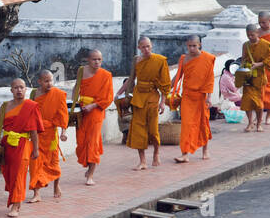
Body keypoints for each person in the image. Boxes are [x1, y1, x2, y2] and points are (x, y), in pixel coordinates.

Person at [0, 78, 41, 217]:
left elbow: (34, 130)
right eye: (16, 88)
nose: (19, 90)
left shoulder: (31, 106)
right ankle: (15, 199)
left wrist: (35, 149)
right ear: (11, 90)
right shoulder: (5, 106)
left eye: (22, 87)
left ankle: (16, 206)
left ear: (25, 90)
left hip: (22, 144)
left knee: (18, 175)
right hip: (6, 144)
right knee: (9, 174)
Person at [117, 36, 170, 170]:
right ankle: (142, 161)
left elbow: (165, 84)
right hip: (138, 97)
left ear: (151, 46)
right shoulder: (137, 60)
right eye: (143, 47)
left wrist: (163, 102)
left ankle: (156, 152)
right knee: (138, 130)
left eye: (148, 46)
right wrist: (119, 94)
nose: (146, 49)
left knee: (152, 130)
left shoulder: (160, 60)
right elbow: (131, 79)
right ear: (139, 48)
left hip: (152, 97)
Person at [172, 35, 215, 162]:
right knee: (186, 125)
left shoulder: (208, 58)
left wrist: (209, 97)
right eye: (189, 46)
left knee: (203, 123)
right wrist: (168, 86)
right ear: (187, 45)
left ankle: (205, 150)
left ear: (199, 45)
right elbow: (178, 75)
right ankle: (185, 154)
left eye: (194, 46)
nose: (192, 48)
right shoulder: (184, 59)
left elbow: (210, 79)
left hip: (202, 96)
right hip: (187, 96)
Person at [72, 50, 113, 186]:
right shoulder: (81, 71)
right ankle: (88, 166)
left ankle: (90, 174)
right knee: (82, 141)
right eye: (94, 59)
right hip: (82, 110)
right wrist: (74, 105)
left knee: (93, 142)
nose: (97, 62)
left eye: (99, 60)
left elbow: (108, 97)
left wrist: (93, 105)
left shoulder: (106, 75)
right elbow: (76, 88)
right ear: (88, 60)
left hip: (96, 111)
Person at [29, 70, 68, 202]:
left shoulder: (58, 94)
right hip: (36, 135)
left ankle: (56, 186)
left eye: (51, 80)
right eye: (46, 81)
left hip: (51, 134)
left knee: (53, 161)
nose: (49, 83)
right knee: (35, 163)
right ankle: (36, 193)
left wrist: (63, 132)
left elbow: (63, 114)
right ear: (39, 82)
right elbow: (29, 113)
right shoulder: (34, 94)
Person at [239, 25, 270, 133]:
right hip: (248, 77)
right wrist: (243, 68)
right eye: (248, 35)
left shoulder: (264, 45)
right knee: (246, 102)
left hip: (259, 78)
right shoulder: (245, 45)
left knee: (258, 103)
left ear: (257, 33)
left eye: (252, 35)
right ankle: (250, 122)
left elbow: (269, 61)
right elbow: (243, 59)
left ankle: (259, 123)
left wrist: (258, 64)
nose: (250, 37)